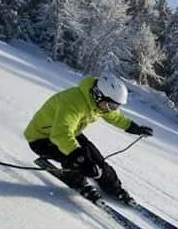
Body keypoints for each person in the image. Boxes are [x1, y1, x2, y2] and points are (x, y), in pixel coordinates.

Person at [24, 73, 154, 202]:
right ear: (99, 95)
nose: (112, 110)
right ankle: (78, 182)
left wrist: (133, 127)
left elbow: (115, 117)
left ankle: (114, 188)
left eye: (116, 106)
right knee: (76, 159)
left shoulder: (99, 105)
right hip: (41, 138)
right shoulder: (73, 102)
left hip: (71, 133)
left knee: (98, 161)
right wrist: (80, 159)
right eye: (112, 106)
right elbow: (60, 133)